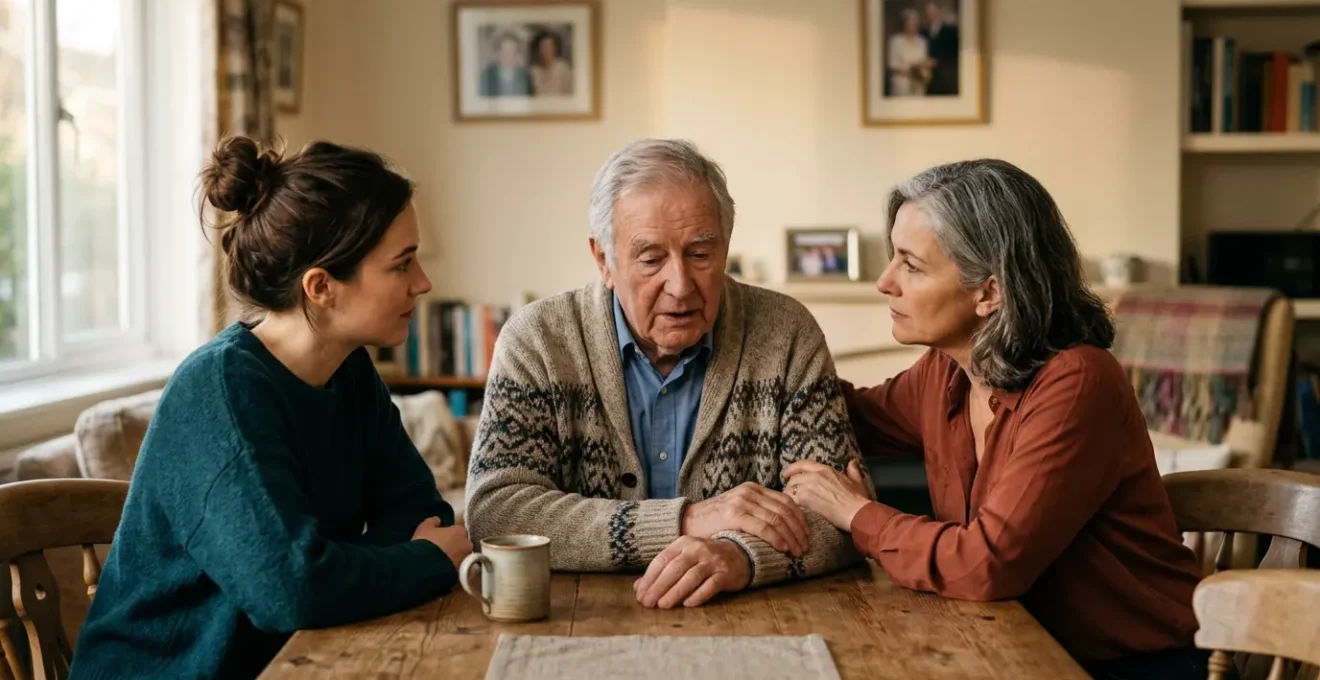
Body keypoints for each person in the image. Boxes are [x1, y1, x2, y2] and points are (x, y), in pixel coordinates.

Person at [781, 159, 1210, 679]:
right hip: (1011, 649)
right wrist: (768, 345)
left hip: (1138, 667)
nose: (883, 282)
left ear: (989, 292)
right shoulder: (945, 372)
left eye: (911, 265)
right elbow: (837, 413)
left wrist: (856, 514)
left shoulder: (1077, 382)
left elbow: (987, 565)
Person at [70, 137, 473, 679]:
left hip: (297, 658)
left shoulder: (349, 370)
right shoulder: (219, 393)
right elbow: (292, 589)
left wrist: (336, 571)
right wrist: (418, 562)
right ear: (321, 286)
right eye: (402, 265)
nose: (423, 283)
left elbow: (419, 511)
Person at [464, 138, 870, 610]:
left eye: (700, 254)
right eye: (651, 259)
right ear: (604, 261)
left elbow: (844, 512)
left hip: (748, 620)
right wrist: (686, 521)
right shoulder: (537, 341)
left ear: (725, 247)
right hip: (578, 618)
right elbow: (495, 513)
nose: (680, 286)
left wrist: (741, 557)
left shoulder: (786, 331)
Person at [888, 8, 932, 96]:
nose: (912, 25)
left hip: (919, 84)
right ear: (904, 24)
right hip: (902, 84)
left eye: (915, 23)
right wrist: (911, 70)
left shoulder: (922, 42)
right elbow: (892, 65)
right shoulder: (896, 41)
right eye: (910, 23)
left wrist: (926, 64)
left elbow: (923, 60)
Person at [921, 0, 960, 95]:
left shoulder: (951, 31)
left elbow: (953, 53)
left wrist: (938, 61)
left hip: (946, 75)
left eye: (933, 12)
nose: (931, 16)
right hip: (928, 77)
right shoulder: (923, 33)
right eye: (928, 14)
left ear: (939, 12)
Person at [480, 32, 531, 97]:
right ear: (498, 53)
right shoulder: (487, 76)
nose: (510, 56)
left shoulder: (525, 76)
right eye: (506, 52)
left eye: (513, 52)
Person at [529, 30, 573, 95]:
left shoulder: (564, 68)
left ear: (554, 49)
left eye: (549, 47)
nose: (546, 51)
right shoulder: (533, 72)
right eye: (543, 48)